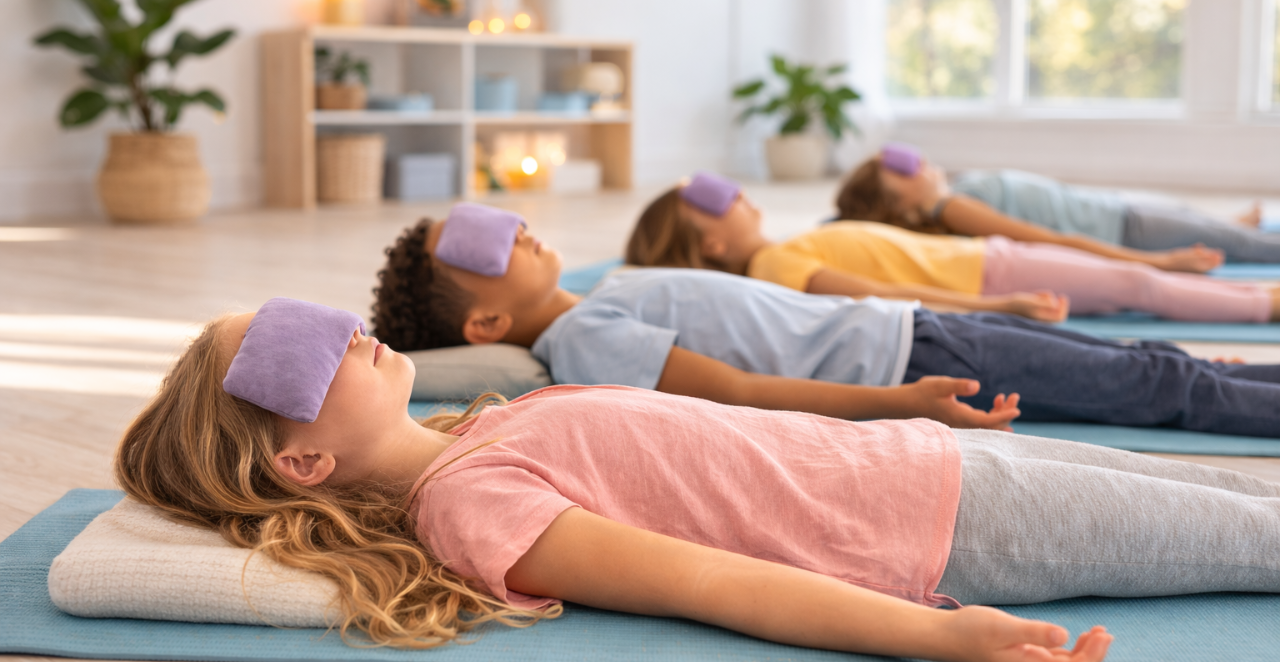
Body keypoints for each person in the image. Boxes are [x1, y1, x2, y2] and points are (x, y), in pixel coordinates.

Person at [118, 297, 1280, 660]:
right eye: (296, 356)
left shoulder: (491, 423)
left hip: (939, 459)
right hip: (954, 523)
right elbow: (707, 582)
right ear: (302, 461)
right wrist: (938, 639)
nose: (340, 329)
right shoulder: (469, 503)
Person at [372, 205, 1280, 437]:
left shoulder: (603, 293)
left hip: (910, 323)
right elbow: (740, 393)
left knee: (1153, 361)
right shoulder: (580, 340)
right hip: (907, 358)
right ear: (486, 322)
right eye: (482, 246)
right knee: (1154, 382)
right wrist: (900, 403)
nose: (513, 228)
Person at [625, 175, 1280, 324]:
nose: (738, 194)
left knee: (1124, 282)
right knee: (1134, 287)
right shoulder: (772, 265)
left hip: (989, 260)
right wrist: (998, 306)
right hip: (988, 275)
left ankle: (1259, 297)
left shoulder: (789, 244)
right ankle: (1263, 306)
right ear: (711, 242)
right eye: (716, 201)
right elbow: (879, 294)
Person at [837, 151, 1280, 267]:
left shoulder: (956, 192)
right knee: (1254, 248)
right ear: (899, 207)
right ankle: (1229, 229)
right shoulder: (954, 209)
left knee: (1203, 219)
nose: (917, 164)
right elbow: (1051, 241)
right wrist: (1159, 263)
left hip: (1114, 208)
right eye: (902, 173)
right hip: (1125, 230)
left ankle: (1223, 222)